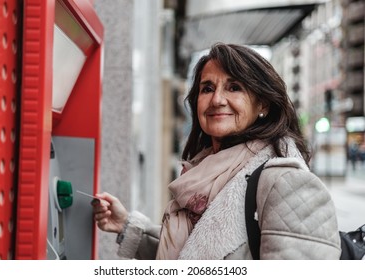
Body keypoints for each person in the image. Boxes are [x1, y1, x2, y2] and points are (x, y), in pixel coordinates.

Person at [92, 43, 341, 260]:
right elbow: (194, 254)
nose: (217, 100)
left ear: (263, 103)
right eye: (208, 88)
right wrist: (128, 226)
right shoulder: (205, 173)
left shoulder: (286, 183)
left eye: (234, 88)